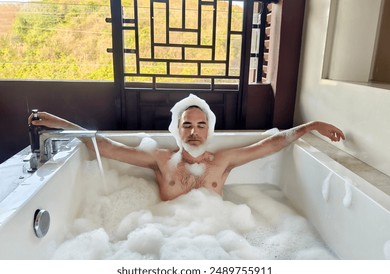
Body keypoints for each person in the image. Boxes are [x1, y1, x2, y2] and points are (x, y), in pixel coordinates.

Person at [28, 94, 345, 201]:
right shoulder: (159, 159)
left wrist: (311, 126)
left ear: (210, 129)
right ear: (176, 130)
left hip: (216, 242)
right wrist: (61, 124)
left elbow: (271, 144)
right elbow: (104, 146)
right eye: (187, 125)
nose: (194, 131)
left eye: (201, 124)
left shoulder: (224, 160)